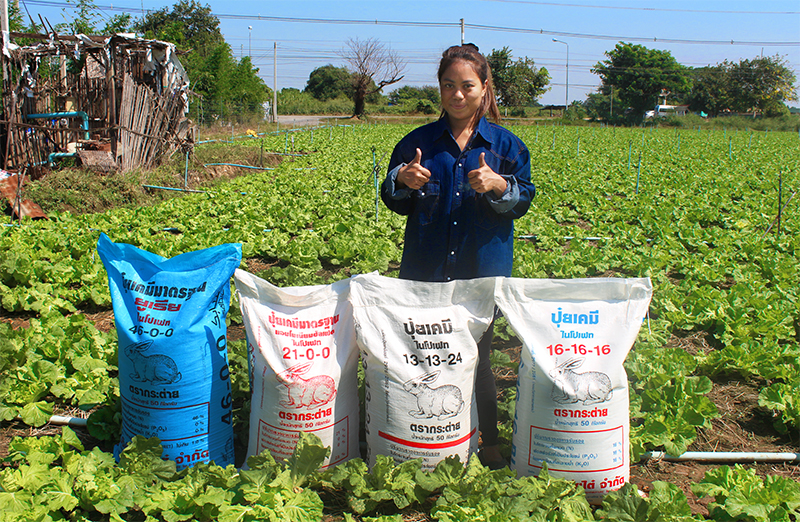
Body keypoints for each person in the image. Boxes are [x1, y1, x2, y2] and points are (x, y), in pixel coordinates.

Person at [381, 43, 535, 469]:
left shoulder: (506, 147)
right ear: (440, 90)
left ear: (484, 89)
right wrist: (402, 180)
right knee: (426, 356)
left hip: (481, 273)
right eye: (449, 86)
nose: (457, 94)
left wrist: (500, 186)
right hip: (425, 271)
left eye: (467, 85)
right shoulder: (418, 144)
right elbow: (393, 199)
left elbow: (522, 201)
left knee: (478, 358)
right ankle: (419, 438)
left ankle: (489, 441)